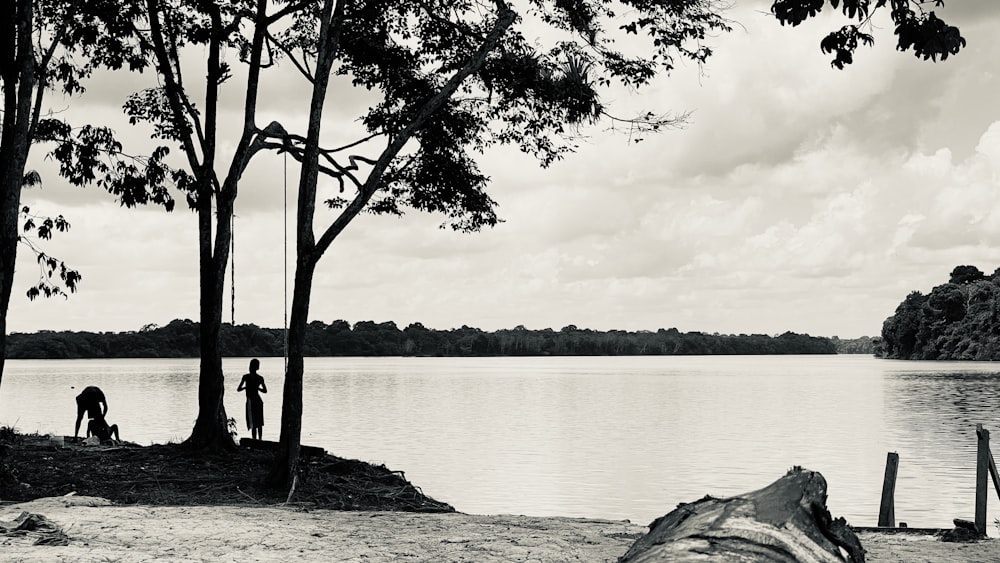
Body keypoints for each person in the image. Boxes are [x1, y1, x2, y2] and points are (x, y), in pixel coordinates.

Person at [237, 358, 267, 440]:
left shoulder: (246, 377)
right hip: (258, 400)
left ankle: (254, 440)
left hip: (251, 401)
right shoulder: (260, 378)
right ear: (257, 367)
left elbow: (238, 389)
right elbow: (265, 391)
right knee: (259, 422)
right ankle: (260, 440)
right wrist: (257, 388)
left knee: (253, 422)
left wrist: (245, 387)